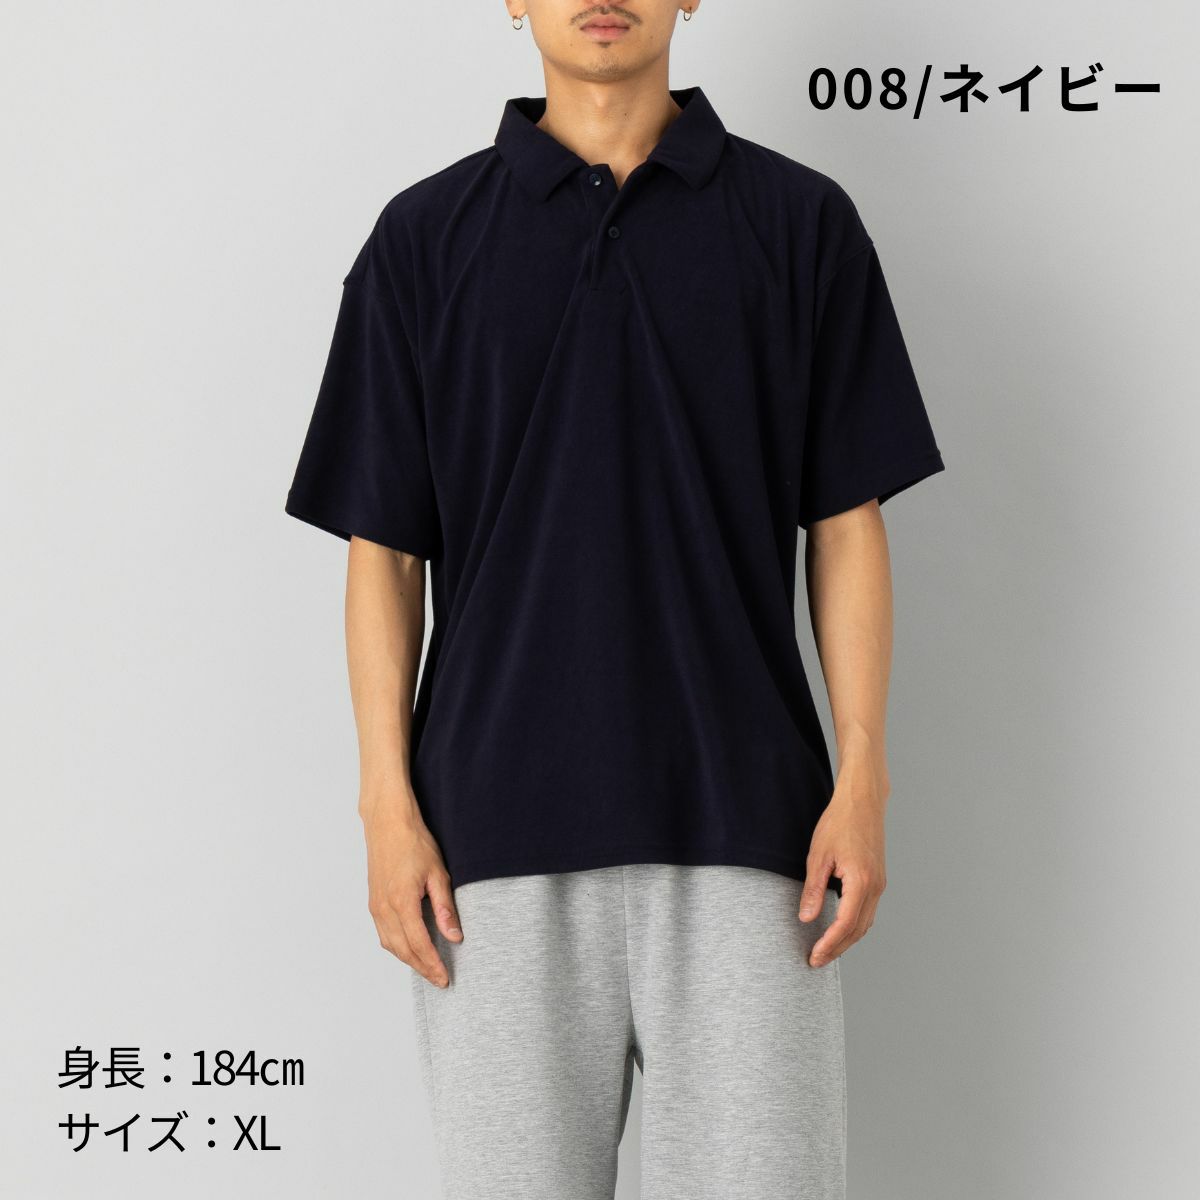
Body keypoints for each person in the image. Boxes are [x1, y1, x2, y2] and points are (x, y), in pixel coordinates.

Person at [284, 3, 946, 1197]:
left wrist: (863, 775)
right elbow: (384, 552)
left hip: (753, 835)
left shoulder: (800, 224)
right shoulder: (424, 239)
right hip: (490, 847)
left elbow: (846, 522)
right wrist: (386, 804)